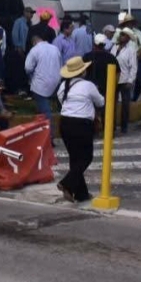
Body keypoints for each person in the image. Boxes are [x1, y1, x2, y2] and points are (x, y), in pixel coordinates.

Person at [54, 56, 104, 203]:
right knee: (86, 158)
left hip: (65, 123)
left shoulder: (63, 86)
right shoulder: (88, 85)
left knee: (75, 159)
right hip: (81, 125)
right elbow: (101, 102)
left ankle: (81, 194)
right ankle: (66, 183)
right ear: (83, 72)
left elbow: (61, 100)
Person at [25, 34, 61, 123]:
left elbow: (27, 68)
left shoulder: (35, 50)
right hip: (56, 82)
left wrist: (32, 76)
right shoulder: (55, 48)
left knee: (45, 110)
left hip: (41, 85)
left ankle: (49, 130)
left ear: (34, 43)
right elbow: (61, 64)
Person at [113, 28, 138, 134]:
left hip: (125, 79)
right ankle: (112, 126)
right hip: (114, 79)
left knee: (125, 104)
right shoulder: (114, 47)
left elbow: (133, 67)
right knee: (112, 104)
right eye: (121, 34)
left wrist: (130, 80)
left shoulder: (131, 50)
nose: (121, 36)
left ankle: (124, 126)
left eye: (123, 35)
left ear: (128, 38)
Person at [8, 7, 34, 94]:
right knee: (19, 69)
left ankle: (25, 88)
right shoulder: (18, 22)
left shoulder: (30, 23)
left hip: (28, 50)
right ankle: (18, 89)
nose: (31, 15)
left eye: (32, 13)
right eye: (30, 12)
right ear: (25, 12)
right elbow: (14, 35)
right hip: (20, 50)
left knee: (26, 69)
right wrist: (18, 46)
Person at [82, 33, 118, 98]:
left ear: (94, 44)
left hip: (89, 90)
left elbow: (82, 72)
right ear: (104, 44)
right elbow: (117, 73)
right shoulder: (111, 58)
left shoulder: (86, 57)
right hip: (106, 92)